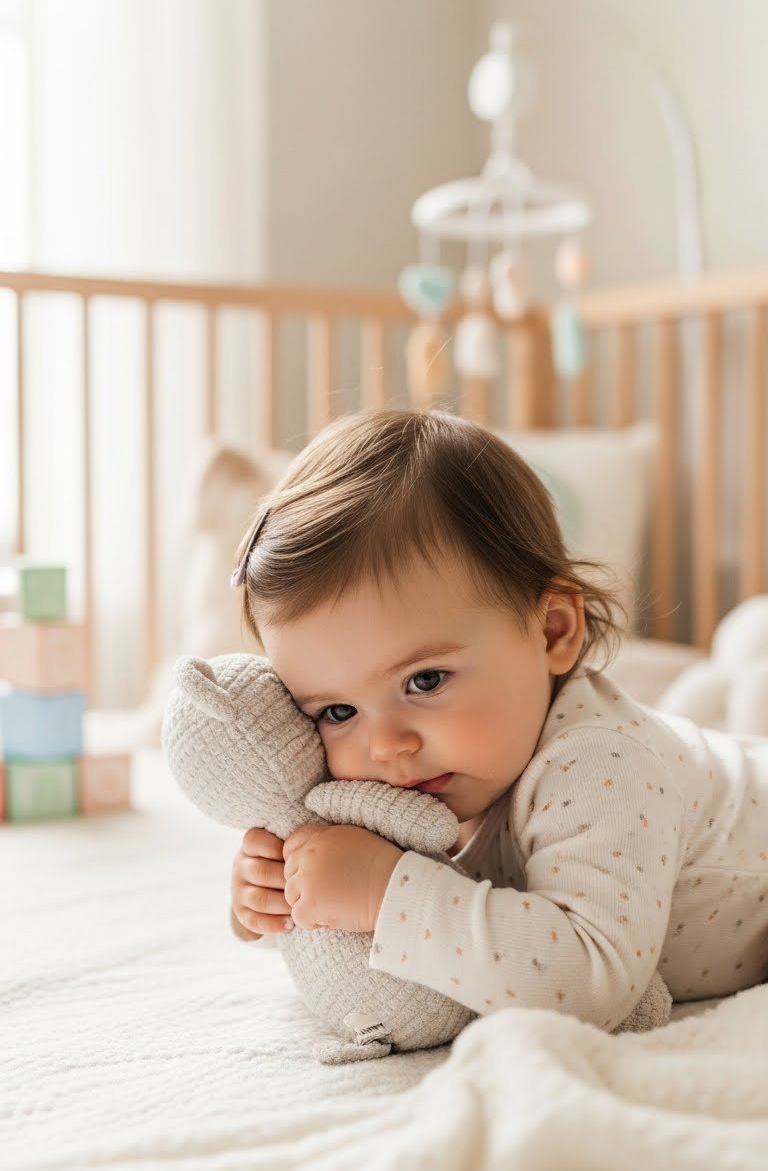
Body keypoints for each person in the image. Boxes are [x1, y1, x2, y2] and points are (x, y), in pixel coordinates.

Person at [229, 409, 768, 1030]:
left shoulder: (597, 764)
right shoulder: (429, 773)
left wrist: (387, 894)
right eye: (337, 711)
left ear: (552, 632)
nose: (386, 746)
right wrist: (280, 895)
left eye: (424, 681)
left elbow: (590, 985)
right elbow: (360, 931)